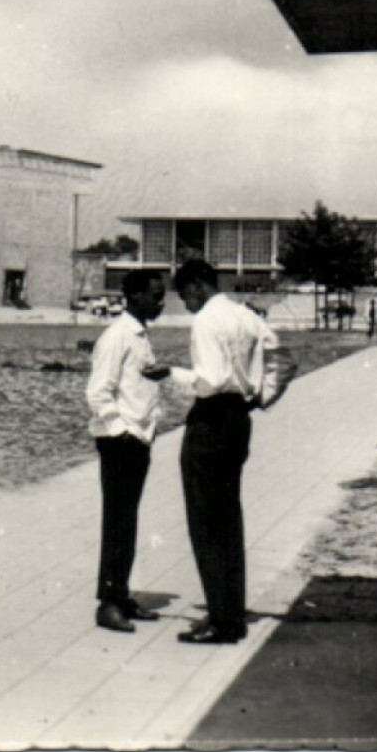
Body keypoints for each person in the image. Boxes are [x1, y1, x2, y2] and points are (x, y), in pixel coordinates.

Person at [167, 259, 280, 644]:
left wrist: (172, 375)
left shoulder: (206, 321)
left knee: (206, 521)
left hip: (211, 420)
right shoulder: (245, 315)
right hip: (238, 419)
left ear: (197, 286)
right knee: (228, 518)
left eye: (184, 295)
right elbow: (279, 355)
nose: (185, 304)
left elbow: (211, 380)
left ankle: (222, 620)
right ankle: (230, 608)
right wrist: (259, 394)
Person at [86, 269, 171, 633]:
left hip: (138, 438)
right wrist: (120, 431)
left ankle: (121, 595)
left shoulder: (139, 336)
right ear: (134, 296)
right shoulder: (117, 336)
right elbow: (97, 392)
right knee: (118, 520)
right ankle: (108, 603)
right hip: (120, 441)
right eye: (154, 295)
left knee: (128, 519)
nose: (160, 302)